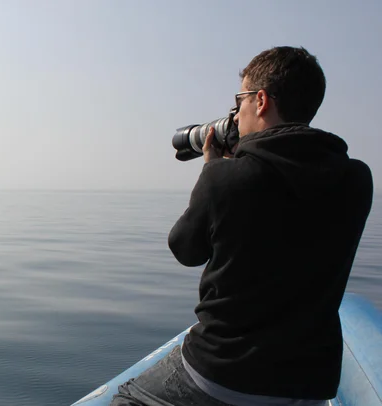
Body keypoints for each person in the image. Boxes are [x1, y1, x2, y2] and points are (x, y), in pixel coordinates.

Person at [110, 46, 374, 406]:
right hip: (308, 382)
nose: (236, 114)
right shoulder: (357, 179)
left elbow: (185, 250)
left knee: (125, 400)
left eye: (240, 101)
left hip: (223, 373)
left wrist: (213, 169)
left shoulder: (225, 179)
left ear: (261, 100)